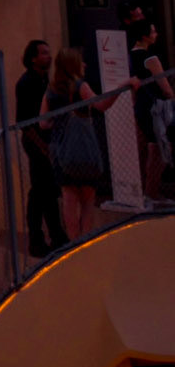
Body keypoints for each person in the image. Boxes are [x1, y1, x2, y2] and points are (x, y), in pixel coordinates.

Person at [44, 48, 136, 241]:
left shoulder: (51, 90)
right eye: (81, 61)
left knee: (69, 199)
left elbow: (43, 122)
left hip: (62, 152)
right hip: (84, 150)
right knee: (87, 199)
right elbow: (101, 105)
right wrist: (123, 85)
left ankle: (72, 243)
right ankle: (85, 242)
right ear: (73, 64)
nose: (84, 65)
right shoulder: (80, 86)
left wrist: (60, 121)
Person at [15, 40, 64, 256]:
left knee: (47, 190)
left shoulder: (45, 80)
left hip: (47, 140)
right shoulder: (26, 83)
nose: (48, 56)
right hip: (36, 141)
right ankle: (38, 238)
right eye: (44, 53)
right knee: (40, 191)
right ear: (33, 57)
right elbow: (24, 122)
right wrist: (42, 146)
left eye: (48, 52)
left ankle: (55, 235)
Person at [129, 22, 174, 202]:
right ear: (144, 36)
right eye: (153, 31)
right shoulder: (151, 59)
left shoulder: (130, 57)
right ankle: (151, 193)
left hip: (140, 106)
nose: (156, 34)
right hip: (155, 109)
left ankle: (145, 192)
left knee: (147, 149)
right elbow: (165, 87)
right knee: (159, 149)